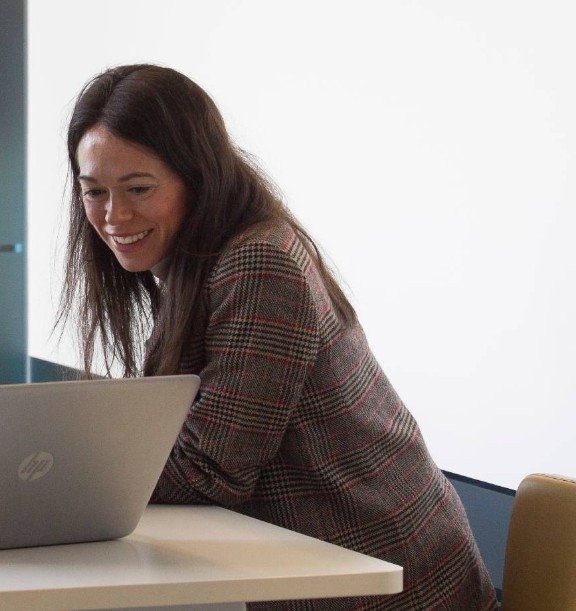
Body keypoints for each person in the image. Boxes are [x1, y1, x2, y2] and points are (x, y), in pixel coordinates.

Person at [59, 64, 496, 610]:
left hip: (394, 588)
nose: (113, 215)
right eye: (93, 191)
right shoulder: (194, 263)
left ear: (198, 176)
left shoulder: (260, 260)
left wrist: (50, 472)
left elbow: (209, 471)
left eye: (139, 188)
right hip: (322, 569)